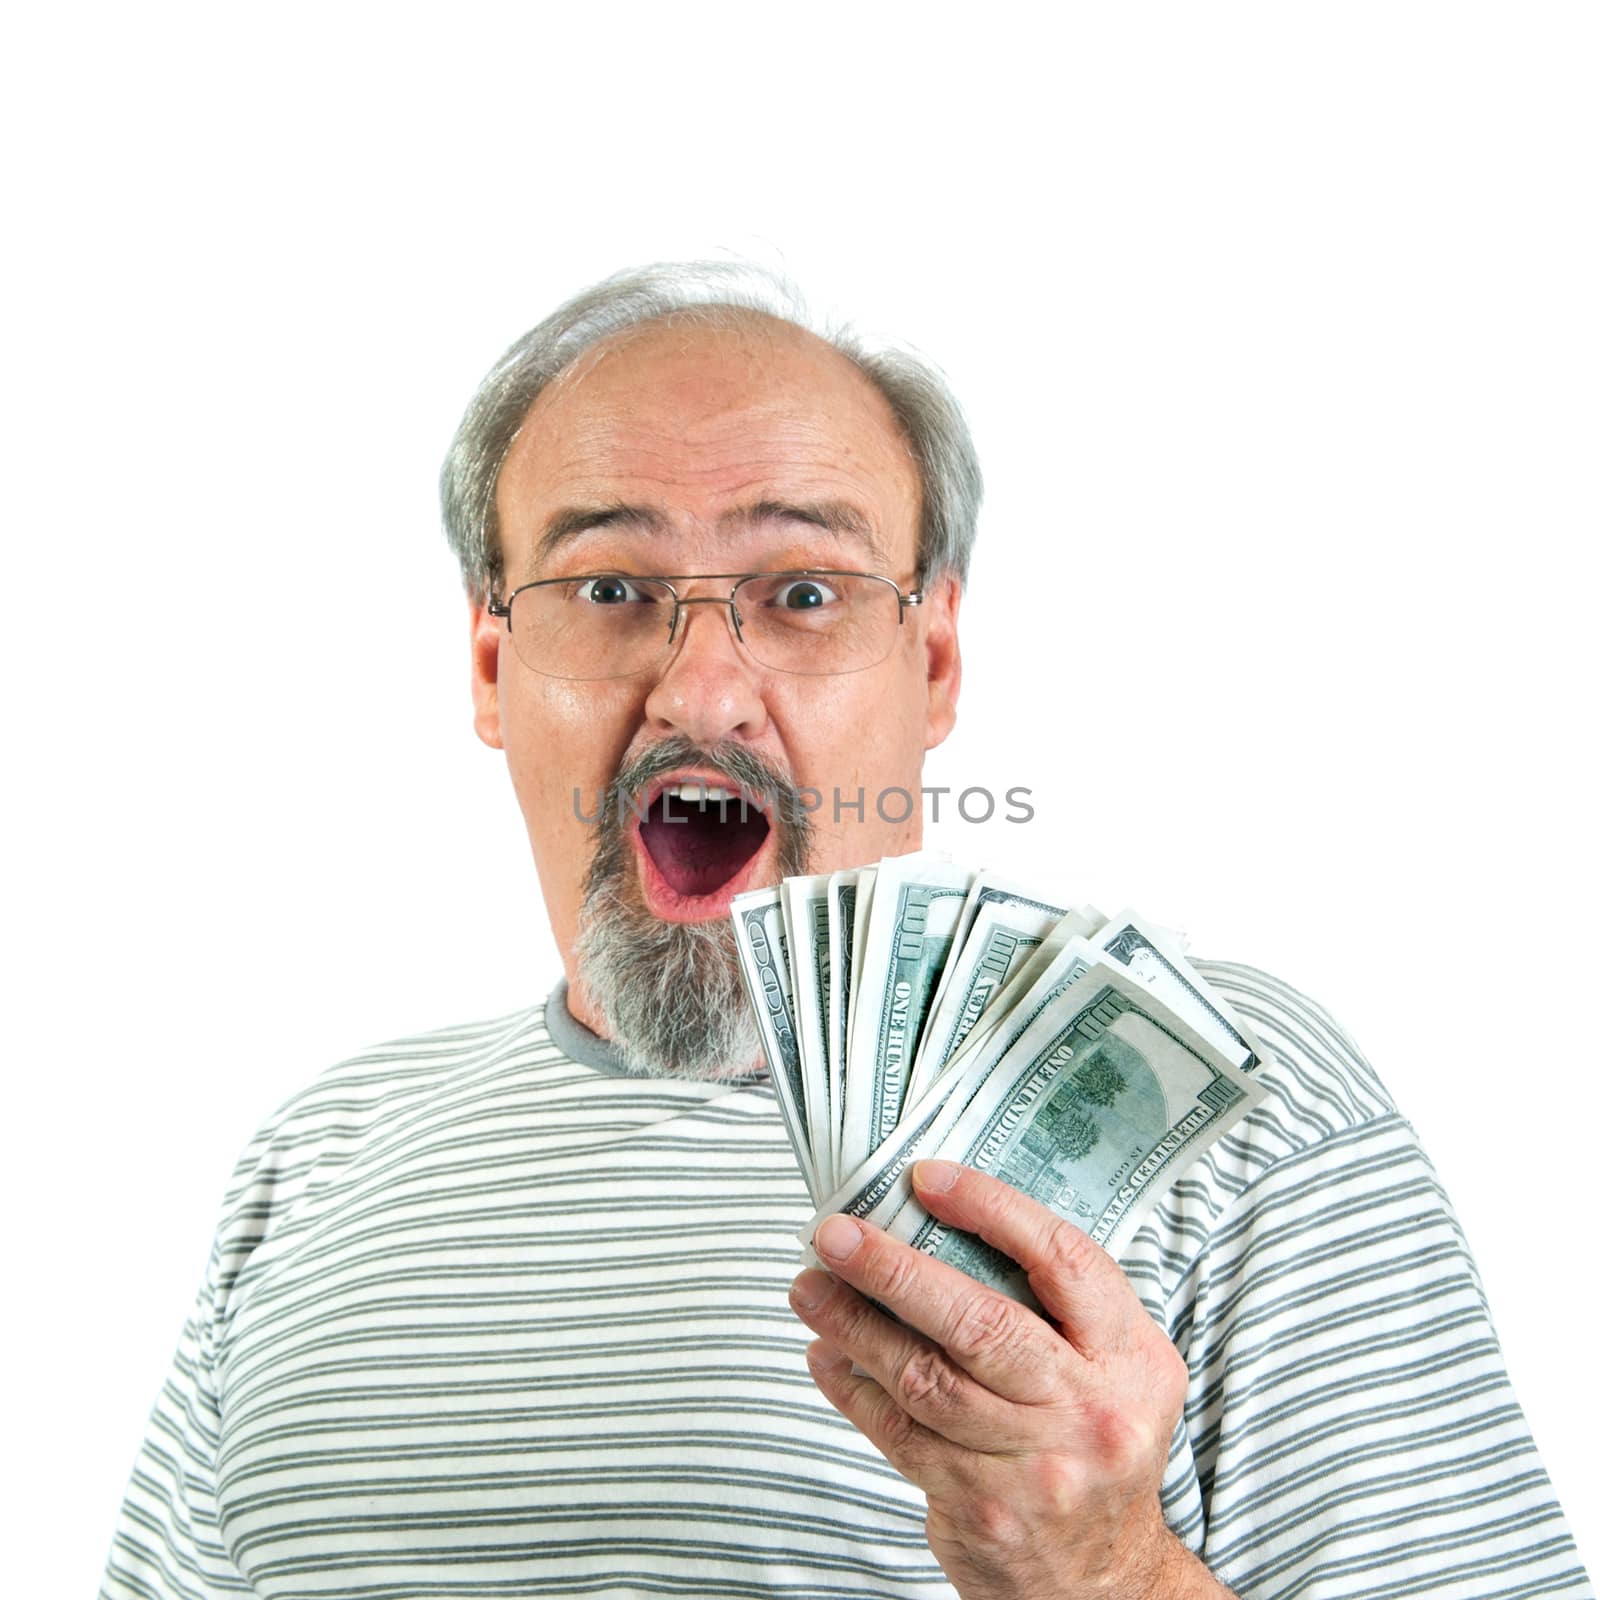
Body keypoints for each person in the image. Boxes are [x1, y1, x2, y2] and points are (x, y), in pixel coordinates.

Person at [100, 262, 1591, 1600]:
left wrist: (1109, 1576)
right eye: (610, 587)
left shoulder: (1231, 1092)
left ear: (932, 661)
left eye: (802, 591)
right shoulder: (320, 1154)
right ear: (492, 668)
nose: (699, 690)